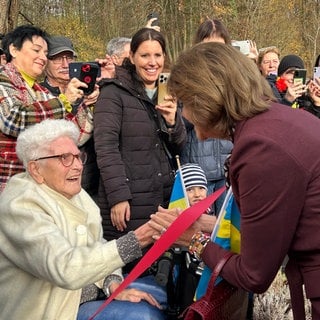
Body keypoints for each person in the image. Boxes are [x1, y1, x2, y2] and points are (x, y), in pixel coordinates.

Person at [150, 42, 320, 319]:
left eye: (185, 104)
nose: (184, 115)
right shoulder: (277, 121)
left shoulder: (260, 148)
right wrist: (210, 225)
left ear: (206, 98)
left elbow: (254, 275)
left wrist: (193, 239)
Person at [0, 118, 164, 320]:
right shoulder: (20, 207)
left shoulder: (75, 194)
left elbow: (95, 245)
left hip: (87, 296)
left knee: (160, 296)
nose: (78, 166)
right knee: (145, 315)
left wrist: (111, 283)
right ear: (35, 169)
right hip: (56, 313)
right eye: (65, 158)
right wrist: (137, 240)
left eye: (78, 157)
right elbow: (66, 268)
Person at [93, 27, 186, 318]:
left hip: (160, 198)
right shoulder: (113, 94)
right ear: (131, 57)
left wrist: (173, 122)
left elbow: (179, 144)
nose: (152, 62)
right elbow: (105, 147)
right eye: (144, 55)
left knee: (159, 275)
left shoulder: (165, 91)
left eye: (158, 55)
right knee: (130, 276)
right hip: (129, 201)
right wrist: (119, 195)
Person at [0, 25, 94, 193]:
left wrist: (81, 100)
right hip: (7, 189)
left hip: (35, 192)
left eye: (45, 53)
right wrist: (64, 101)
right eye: (36, 50)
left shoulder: (41, 93)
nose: (42, 57)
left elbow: (75, 136)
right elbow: (13, 119)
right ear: (14, 50)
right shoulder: (3, 80)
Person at [181, 17, 233, 215]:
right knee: (199, 233)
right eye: (207, 46)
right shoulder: (188, 76)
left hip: (229, 167)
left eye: (219, 47)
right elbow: (180, 123)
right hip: (199, 175)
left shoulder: (235, 78)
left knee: (228, 232)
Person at [41, 35, 100, 198]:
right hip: (54, 187)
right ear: (44, 62)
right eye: (57, 59)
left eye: (68, 58)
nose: (65, 64)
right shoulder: (38, 95)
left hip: (91, 184)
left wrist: (96, 103)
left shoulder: (86, 88)